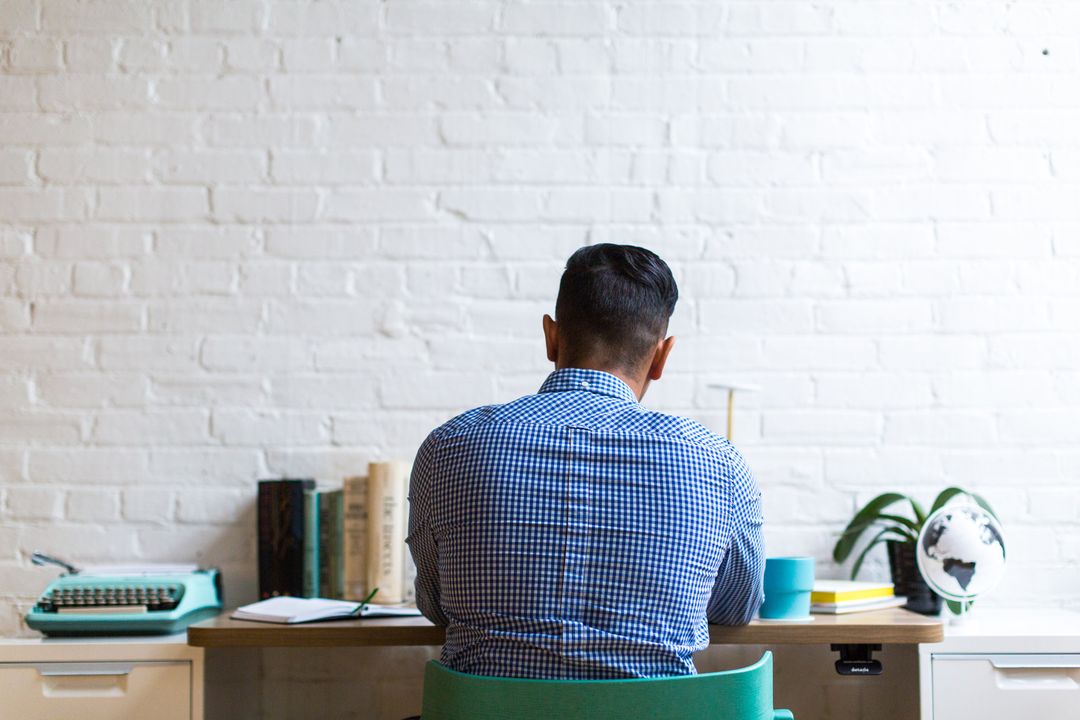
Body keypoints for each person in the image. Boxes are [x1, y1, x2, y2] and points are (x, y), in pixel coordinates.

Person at [406, 244, 764, 680]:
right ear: (661, 357)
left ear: (551, 337)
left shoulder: (450, 446)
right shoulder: (717, 462)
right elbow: (735, 609)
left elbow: (435, 606)